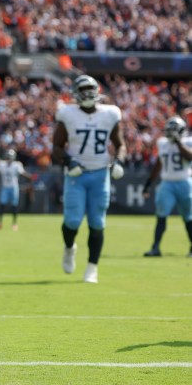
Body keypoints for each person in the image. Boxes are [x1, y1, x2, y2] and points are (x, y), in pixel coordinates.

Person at [52, 74, 126, 284]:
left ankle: (92, 268)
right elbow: (56, 147)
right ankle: (69, 247)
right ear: (76, 93)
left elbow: (120, 144)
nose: (86, 93)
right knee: (72, 221)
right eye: (82, 89)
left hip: (100, 173)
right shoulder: (67, 113)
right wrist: (69, 162)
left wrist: (119, 161)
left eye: (89, 89)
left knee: (97, 222)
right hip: (77, 174)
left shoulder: (110, 113)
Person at [142, 116, 192, 257]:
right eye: (170, 130)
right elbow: (159, 163)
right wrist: (149, 183)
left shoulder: (188, 141)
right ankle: (155, 248)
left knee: (189, 217)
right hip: (167, 183)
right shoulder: (162, 143)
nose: (171, 133)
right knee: (161, 214)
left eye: (174, 130)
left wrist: (178, 143)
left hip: (185, 181)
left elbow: (190, 157)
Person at [0, 149, 33, 231]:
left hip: (14, 187)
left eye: (9, 157)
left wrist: (29, 176)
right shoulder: (2, 164)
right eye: (7, 157)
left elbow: (22, 173)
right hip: (5, 187)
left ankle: (14, 224)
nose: (8, 158)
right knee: (2, 205)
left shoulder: (17, 165)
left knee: (14, 206)